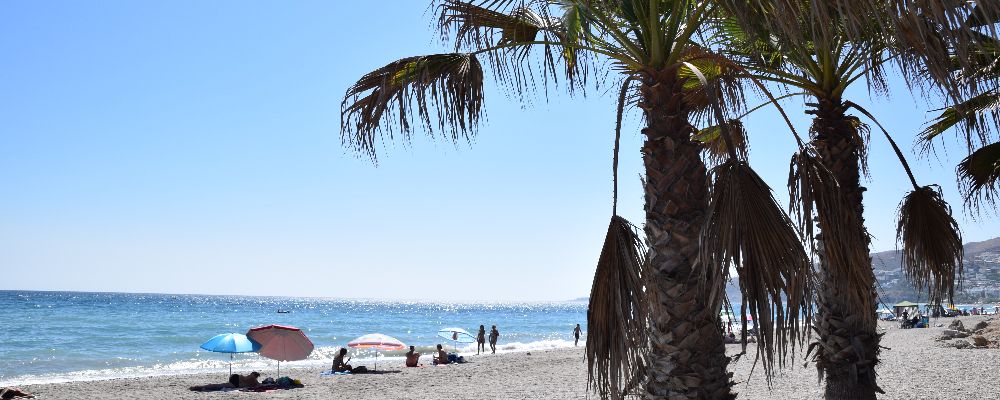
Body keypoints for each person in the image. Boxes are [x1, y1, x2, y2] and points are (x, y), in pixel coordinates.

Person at [189, 372, 259, 392]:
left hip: (234, 380)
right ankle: (201, 387)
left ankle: (201, 387)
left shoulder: (252, 380)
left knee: (218, 386)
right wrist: (257, 382)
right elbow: (252, 376)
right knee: (218, 386)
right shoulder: (252, 378)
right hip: (235, 381)